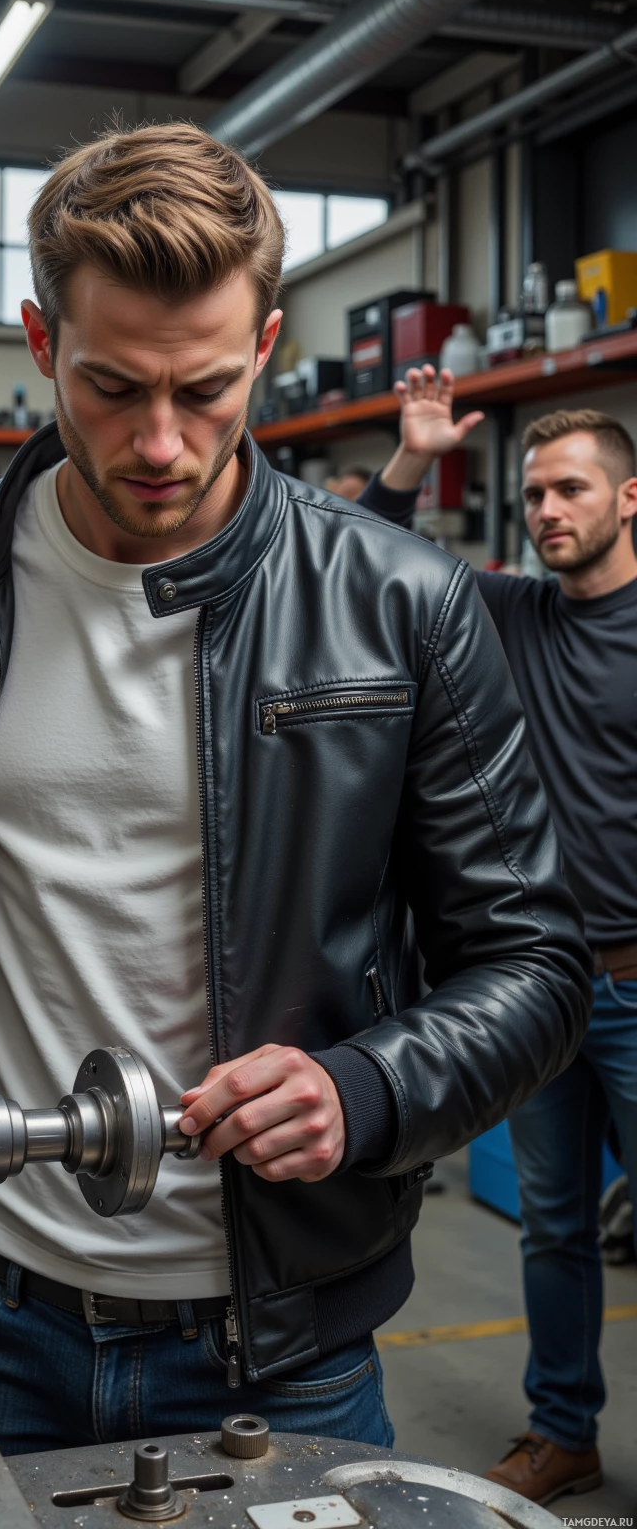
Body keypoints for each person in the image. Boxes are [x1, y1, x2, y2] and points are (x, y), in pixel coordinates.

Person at [0, 125, 589, 1459]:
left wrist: (366, 1088)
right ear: (41, 340)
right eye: (111, 385)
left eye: (206, 389)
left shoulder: (402, 605)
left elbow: (534, 962)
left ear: (265, 347)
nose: (160, 441)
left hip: (282, 1345)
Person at [357, 368, 637, 1507]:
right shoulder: (512, 614)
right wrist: (415, 456)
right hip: (542, 990)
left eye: (571, 489)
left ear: (629, 498)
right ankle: (564, 1432)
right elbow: (370, 558)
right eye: (532, 495)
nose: (546, 511)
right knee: (552, 1229)